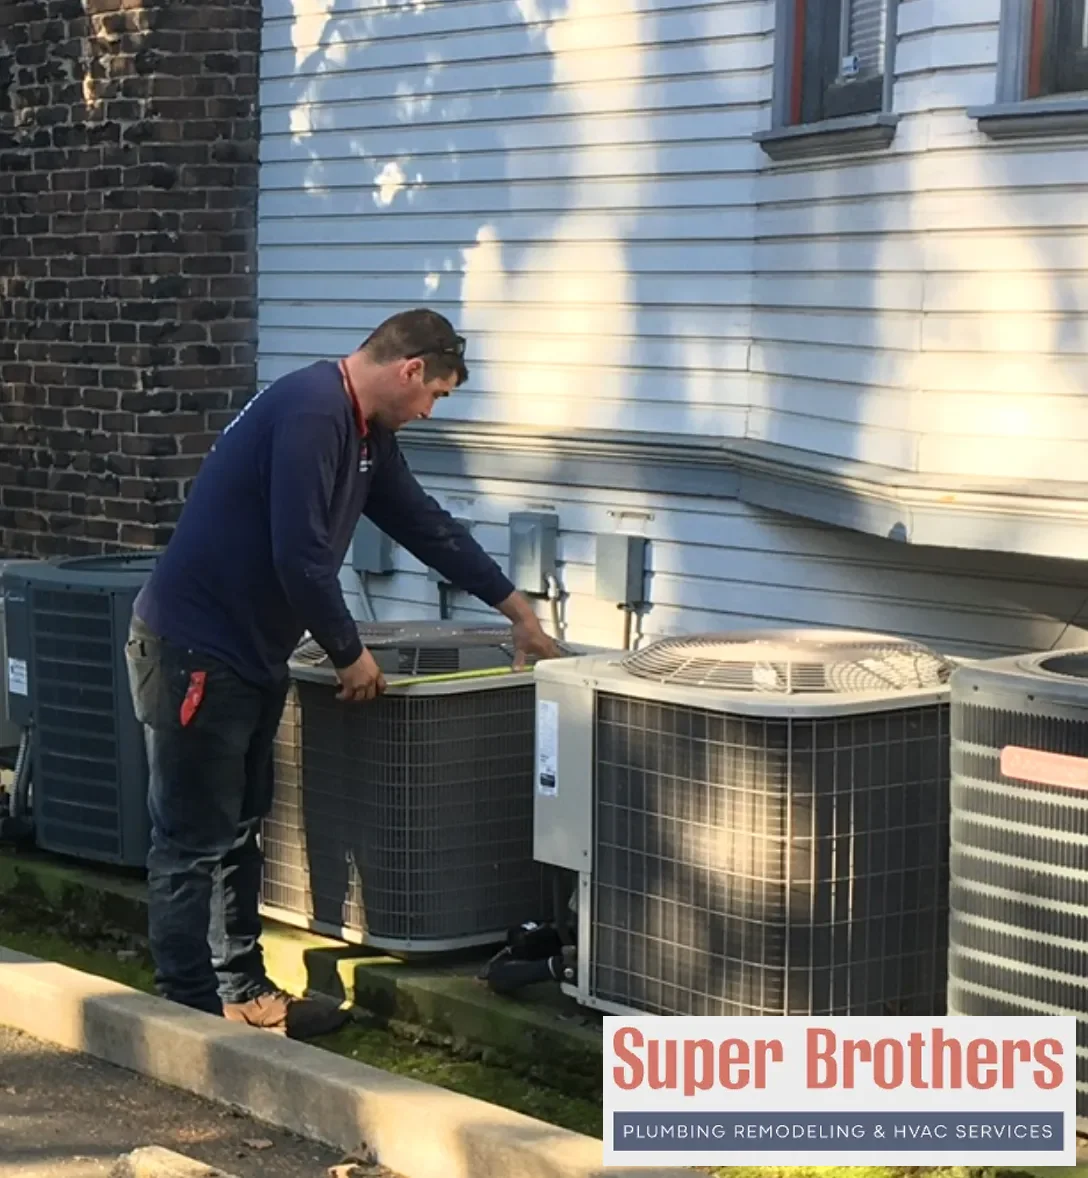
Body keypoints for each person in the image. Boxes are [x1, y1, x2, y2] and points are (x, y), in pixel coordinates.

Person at [124, 308, 562, 1039]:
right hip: (194, 651)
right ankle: (188, 1017)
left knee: (236, 832)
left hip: (250, 652)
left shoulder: (365, 433)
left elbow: (424, 523)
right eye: (436, 396)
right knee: (190, 841)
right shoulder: (310, 412)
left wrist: (515, 608)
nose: (428, 412)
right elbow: (296, 553)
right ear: (410, 368)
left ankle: (243, 993)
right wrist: (347, 651)